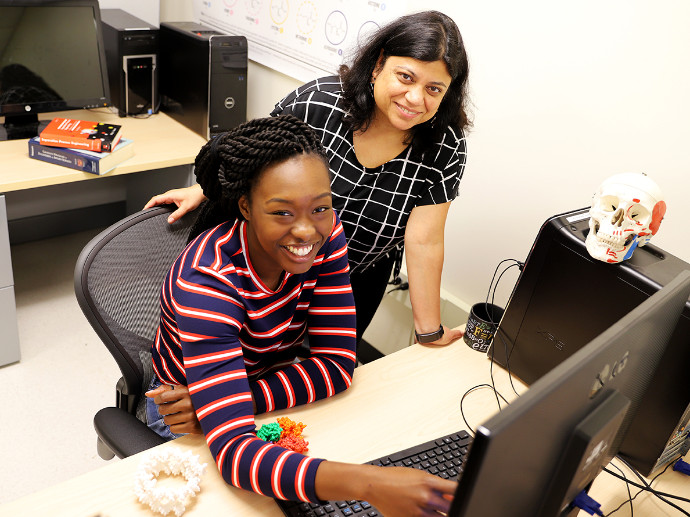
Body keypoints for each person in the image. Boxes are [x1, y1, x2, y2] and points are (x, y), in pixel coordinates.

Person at [147, 115, 457, 515]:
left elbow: (338, 365)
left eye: (320, 208)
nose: (308, 231)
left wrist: (246, 399)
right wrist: (369, 483)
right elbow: (236, 453)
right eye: (282, 213)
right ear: (246, 207)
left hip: (253, 391)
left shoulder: (326, 238)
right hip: (183, 413)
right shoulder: (206, 281)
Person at [146, 10, 470, 348]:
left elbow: (425, 241)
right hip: (267, 268)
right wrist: (204, 188)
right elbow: (254, 156)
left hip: (349, 280)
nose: (417, 99)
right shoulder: (319, 103)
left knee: (324, 375)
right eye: (405, 77)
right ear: (378, 65)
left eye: (434, 89)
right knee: (241, 363)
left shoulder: (445, 145)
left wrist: (429, 331)